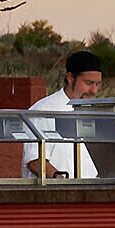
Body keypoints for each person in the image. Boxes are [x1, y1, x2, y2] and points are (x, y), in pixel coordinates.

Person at [20, 48, 105, 178]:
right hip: (55, 194)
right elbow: (35, 161)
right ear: (70, 78)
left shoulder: (93, 112)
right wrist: (62, 182)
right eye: (89, 83)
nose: (93, 90)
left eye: (97, 84)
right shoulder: (44, 110)